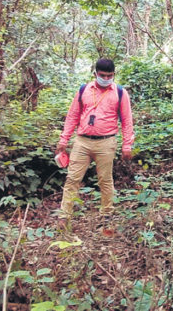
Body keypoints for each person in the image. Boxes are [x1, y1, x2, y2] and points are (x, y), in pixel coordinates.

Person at [56, 58, 134, 225]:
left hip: (106, 142)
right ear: (95, 74)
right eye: (102, 75)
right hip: (82, 141)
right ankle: (64, 216)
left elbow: (127, 121)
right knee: (72, 178)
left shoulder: (120, 93)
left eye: (110, 76)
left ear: (114, 74)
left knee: (105, 180)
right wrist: (64, 139)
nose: (106, 79)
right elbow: (73, 116)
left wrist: (127, 145)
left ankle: (107, 215)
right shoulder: (84, 90)